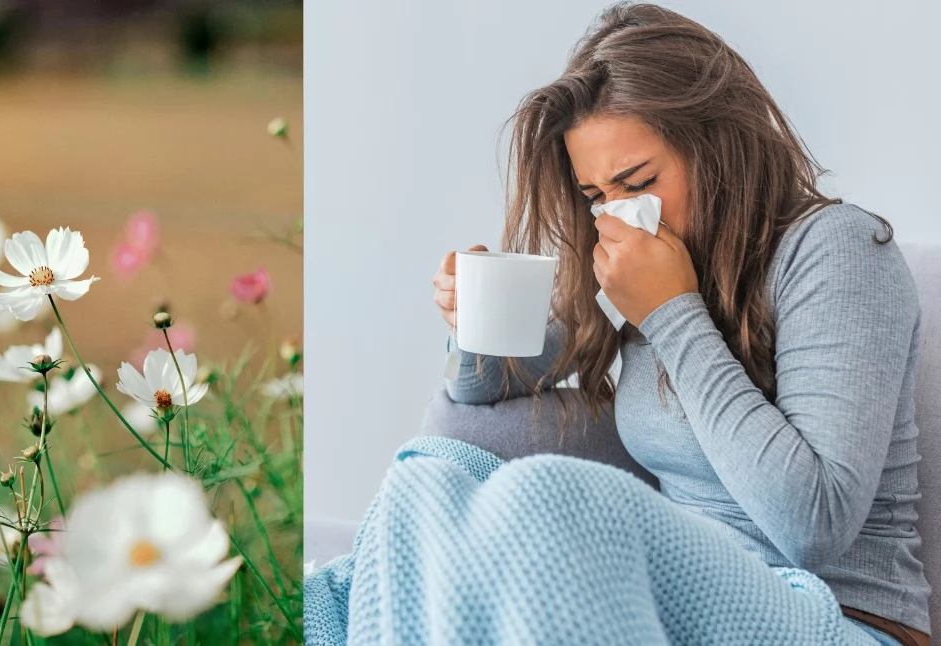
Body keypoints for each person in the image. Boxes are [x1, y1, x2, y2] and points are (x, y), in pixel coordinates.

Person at [306, 3, 929, 645]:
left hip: (839, 621)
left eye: (637, 181)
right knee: (428, 476)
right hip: (667, 612)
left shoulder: (838, 249)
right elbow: (483, 389)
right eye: (598, 196)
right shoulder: (639, 265)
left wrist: (672, 315)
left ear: (719, 145)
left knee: (550, 495)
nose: (618, 216)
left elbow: (815, 526)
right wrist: (472, 324)